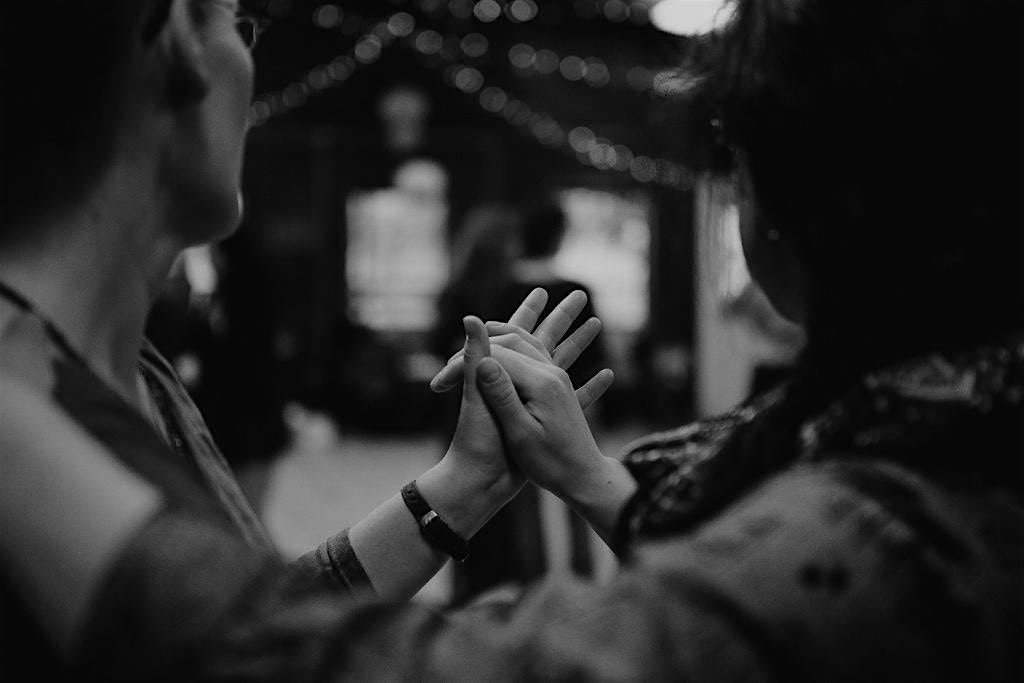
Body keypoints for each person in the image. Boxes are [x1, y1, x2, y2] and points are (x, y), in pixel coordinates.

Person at [2, 1, 1023, 681]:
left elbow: (303, 654)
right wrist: (464, 491)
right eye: (243, 15)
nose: (249, 43)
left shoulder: (899, 526)